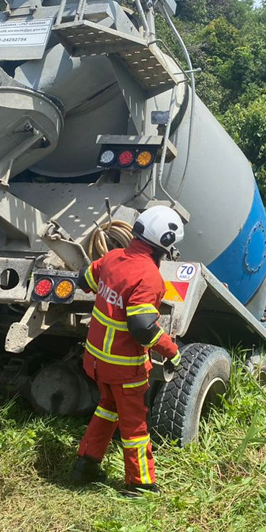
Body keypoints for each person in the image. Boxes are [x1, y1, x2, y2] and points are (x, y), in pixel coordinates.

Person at [70, 205, 184, 497]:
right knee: (134, 425)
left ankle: (85, 465)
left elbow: (85, 280)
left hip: (96, 362)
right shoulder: (149, 276)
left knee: (107, 409)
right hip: (123, 367)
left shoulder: (112, 258)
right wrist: (171, 350)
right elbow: (143, 328)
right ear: (166, 243)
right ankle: (140, 483)